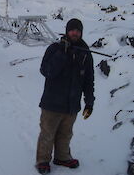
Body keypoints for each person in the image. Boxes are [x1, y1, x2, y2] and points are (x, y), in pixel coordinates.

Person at [35, 18, 95, 174]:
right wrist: (62, 53)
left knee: (66, 134)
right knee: (47, 133)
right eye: (72, 29)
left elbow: (89, 79)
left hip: (72, 104)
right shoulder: (55, 48)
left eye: (78, 30)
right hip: (52, 103)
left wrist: (89, 102)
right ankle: (43, 160)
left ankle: (62, 157)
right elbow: (46, 71)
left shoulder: (85, 52)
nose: (75, 32)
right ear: (67, 31)